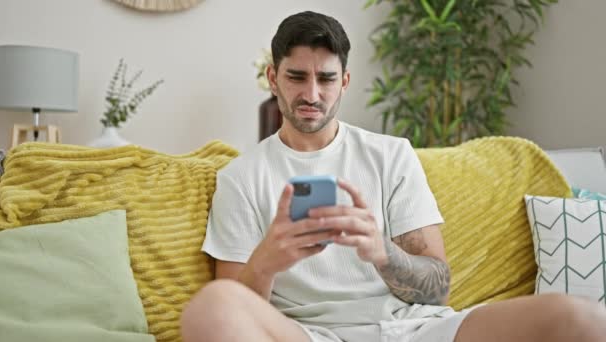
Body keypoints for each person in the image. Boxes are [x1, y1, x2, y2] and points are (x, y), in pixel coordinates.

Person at [181, 11, 606, 342]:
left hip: (415, 330)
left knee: (582, 318)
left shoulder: (390, 155)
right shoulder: (241, 177)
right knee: (212, 306)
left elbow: (437, 289)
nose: (311, 94)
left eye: (326, 79)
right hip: (312, 335)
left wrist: (382, 252)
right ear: (273, 78)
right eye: (296, 77)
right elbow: (234, 310)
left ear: (344, 82)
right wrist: (267, 261)